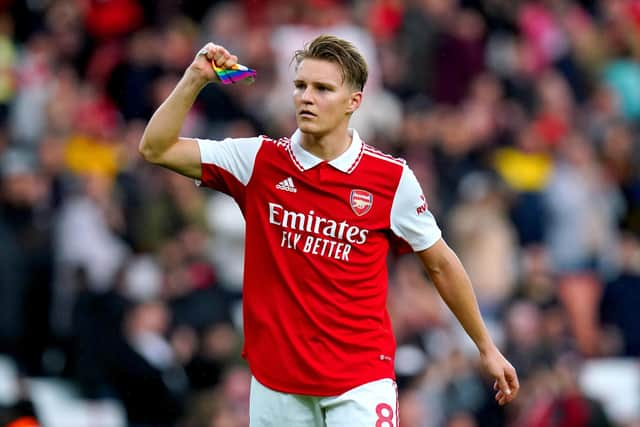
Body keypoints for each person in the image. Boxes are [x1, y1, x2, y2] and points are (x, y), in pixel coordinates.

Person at [139, 34, 519, 426]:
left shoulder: (391, 179)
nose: (307, 97)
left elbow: (440, 263)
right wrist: (196, 77)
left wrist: (486, 347)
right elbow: (156, 148)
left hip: (360, 383)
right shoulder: (256, 160)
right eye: (301, 86)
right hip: (277, 385)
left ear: (353, 102)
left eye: (323, 88)